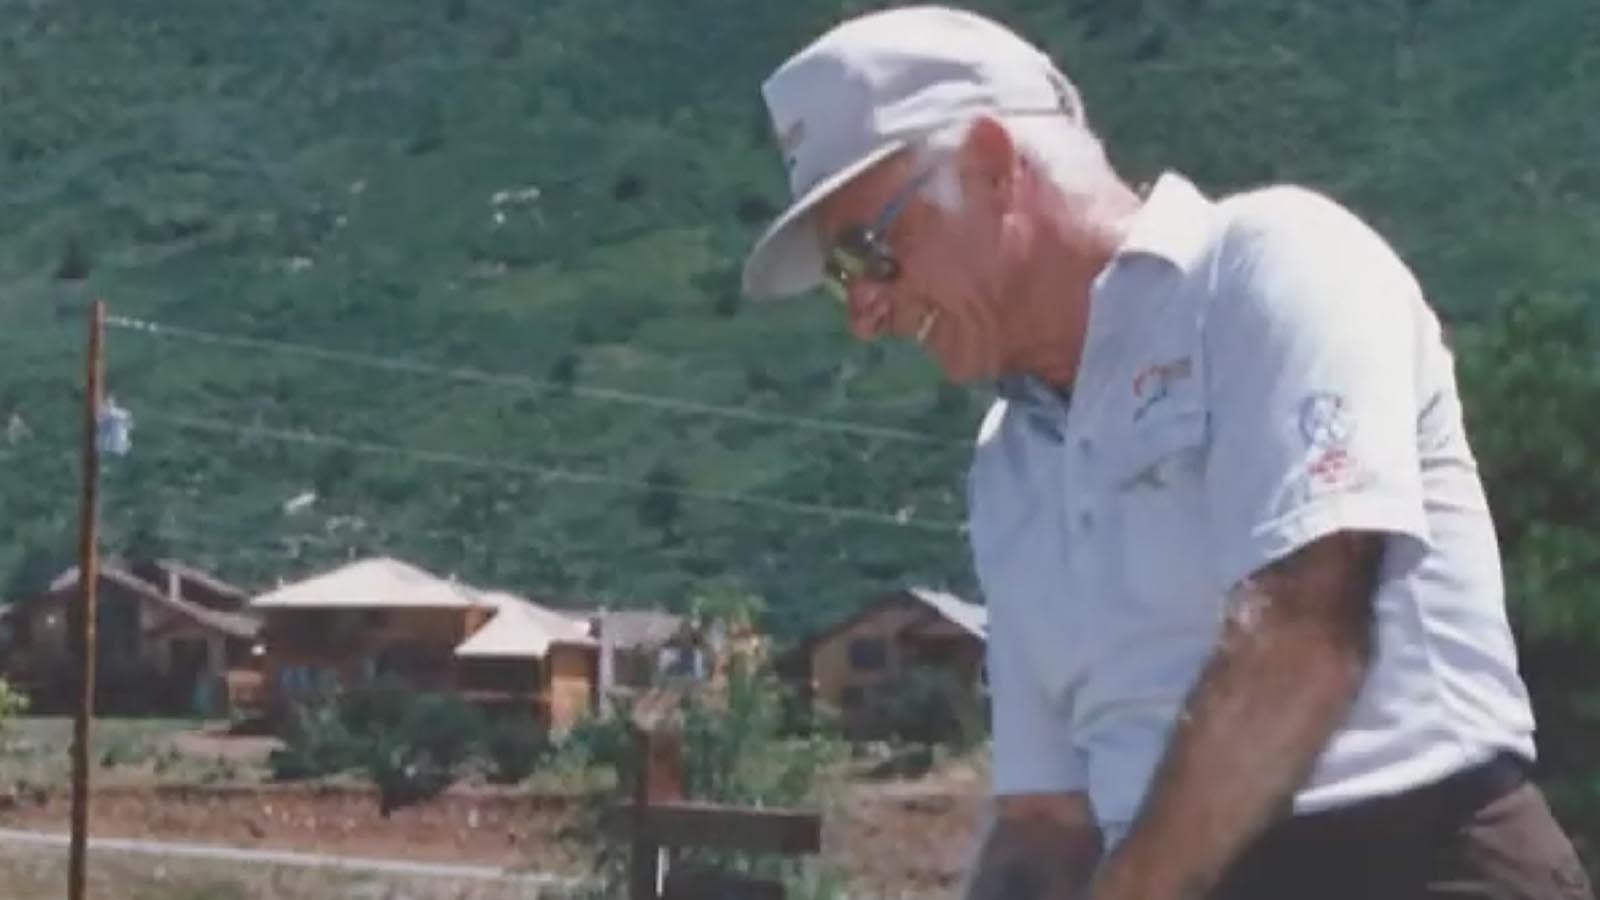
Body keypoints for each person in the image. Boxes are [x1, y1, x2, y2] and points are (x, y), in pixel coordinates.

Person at [739, 6, 1594, 899]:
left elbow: (1302, 641)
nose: (863, 312)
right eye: (844, 277)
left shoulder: (1275, 265)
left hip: (1419, 862)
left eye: (870, 253)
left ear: (992, 165)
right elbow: (1045, 824)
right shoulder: (1010, 462)